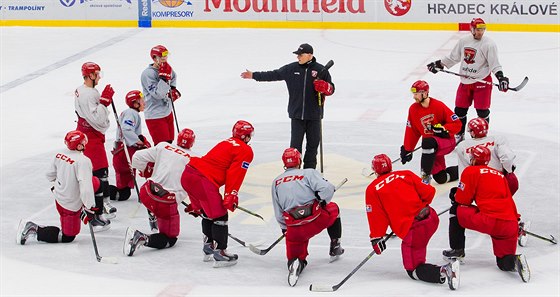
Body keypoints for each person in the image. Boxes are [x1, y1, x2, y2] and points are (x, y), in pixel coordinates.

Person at [365, 154, 460, 290]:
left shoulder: (372, 189)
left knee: (413, 269)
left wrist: (376, 238)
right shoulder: (406, 174)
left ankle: (445, 270)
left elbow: (376, 216)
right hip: (431, 218)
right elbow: (429, 192)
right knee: (419, 244)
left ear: (374, 170)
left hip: (414, 230)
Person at [444, 145, 530, 283]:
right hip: (510, 223)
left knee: (456, 210)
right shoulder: (499, 175)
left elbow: (462, 200)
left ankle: (457, 250)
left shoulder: (470, 171)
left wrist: (455, 194)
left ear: (473, 159)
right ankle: (515, 261)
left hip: (489, 220)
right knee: (503, 262)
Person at [241, 43, 334, 169]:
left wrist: (326, 87)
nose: (298, 57)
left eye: (301, 55)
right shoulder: (291, 69)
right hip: (296, 116)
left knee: (312, 147)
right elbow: (273, 74)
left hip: (314, 116)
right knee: (295, 147)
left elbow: (331, 89)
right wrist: (254, 75)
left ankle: (309, 173)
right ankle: (294, 174)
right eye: (297, 55)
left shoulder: (321, 70)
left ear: (310, 55)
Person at [181, 120, 254, 268]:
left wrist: (196, 205)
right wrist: (231, 195)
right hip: (203, 180)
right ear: (245, 136)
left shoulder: (226, 142)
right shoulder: (245, 150)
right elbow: (235, 173)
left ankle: (208, 247)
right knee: (220, 215)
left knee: (208, 212)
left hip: (188, 174)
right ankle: (220, 252)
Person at [427, 18, 510, 142]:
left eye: (482, 29)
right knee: (459, 110)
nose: (480, 32)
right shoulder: (464, 41)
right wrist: (439, 64)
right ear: (472, 29)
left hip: (481, 81)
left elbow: (495, 63)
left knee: (482, 112)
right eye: (478, 30)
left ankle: (482, 137)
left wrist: (501, 77)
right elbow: (453, 57)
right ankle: (459, 135)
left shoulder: (489, 44)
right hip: (465, 82)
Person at [271, 148, 344, 286]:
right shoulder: (308, 173)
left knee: (296, 252)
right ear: (299, 161)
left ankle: (296, 263)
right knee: (334, 209)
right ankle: (335, 246)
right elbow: (328, 189)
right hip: (316, 220)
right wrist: (322, 200)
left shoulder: (276, 181)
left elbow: (278, 210)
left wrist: (284, 229)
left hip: (294, 228)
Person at [17, 131, 104, 245]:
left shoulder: (59, 155)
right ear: (79, 145)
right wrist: (89, 207)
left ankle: (93, 215)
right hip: (69, 205)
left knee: (96, 182)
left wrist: (62, 183)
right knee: (67, 236)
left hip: (60, 196)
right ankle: (33, 229)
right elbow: (86, 187)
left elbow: (50, 175)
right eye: (83, 142)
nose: (85, 144)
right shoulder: (83, 161)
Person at [124, 128, 196, 256]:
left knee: (154, 194)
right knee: (170, 238)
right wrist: (196, 206)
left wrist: (145, 170)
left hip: (146, 193)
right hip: (165, 203)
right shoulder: (194, 160)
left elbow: (136, 157)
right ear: (192, 143)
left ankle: (152, 212)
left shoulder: (163, 146)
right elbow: (196, 186)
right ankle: (141, 237)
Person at [74, 61, 114, 226]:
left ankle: (102, 205)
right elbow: (98, 120)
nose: (98, 77)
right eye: (96, 74)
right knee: (100, 172)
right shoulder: (90, 94)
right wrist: (104, 103)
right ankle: (100, 208)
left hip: (85, 133)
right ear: (90, 75)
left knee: (96, 172)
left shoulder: (80, 89)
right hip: (91, 137)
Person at [400, 80, 462, 185]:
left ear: (424, 93)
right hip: (430, 148)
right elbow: (412, 131)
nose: (414, 97)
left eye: (416, 94)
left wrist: (444, 129)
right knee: (441, 178)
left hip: (446, 141)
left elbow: (457, 124)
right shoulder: (413, 109)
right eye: (413, 94)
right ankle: (464, 168)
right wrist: (407, 149)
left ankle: (425, 178)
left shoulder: (438, 105)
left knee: (427, 142)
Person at [110, 90, 151, 202]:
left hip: (121, 152)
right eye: (142, 101)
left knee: (123, 194)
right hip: (125, 152)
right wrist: (139, 142)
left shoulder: (130, 113)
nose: (144, 103)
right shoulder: (131, 113)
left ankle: (99, 190)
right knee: (150, 164)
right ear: (135, 103)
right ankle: (99, 190)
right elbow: (126, 129)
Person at [141, 45, 182, 145]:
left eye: (166, 57)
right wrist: (163, 79)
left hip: (167, 111)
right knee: (162, 145)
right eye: (161, 58)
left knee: (170, 143)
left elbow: (173, 80)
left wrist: (172, 92)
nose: (164, 60)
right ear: (154, 58)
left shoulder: (168, 68)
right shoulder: (148, 74)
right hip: (155, 115)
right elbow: (158, 94)